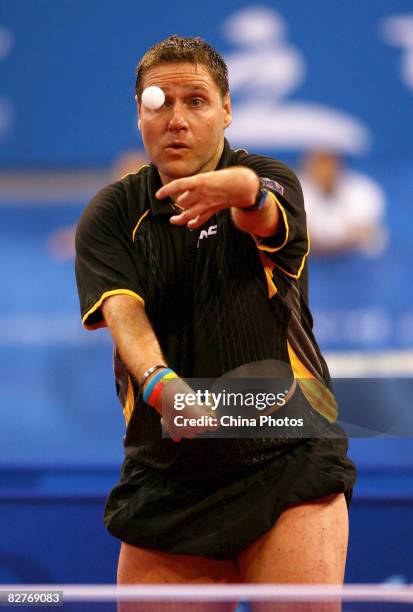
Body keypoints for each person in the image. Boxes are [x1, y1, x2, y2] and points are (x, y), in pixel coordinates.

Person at [75, 36, 355, 610]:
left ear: (227, 109)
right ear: (138, 114)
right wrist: (161, 385)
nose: (176, 119)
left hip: (286, 460)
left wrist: (245, 191)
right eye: (158, 103)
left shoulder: (268, 176)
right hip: (167, 473)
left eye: (196, 101)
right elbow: (123, 309)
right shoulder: (112, 214)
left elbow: (267, 213)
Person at [299, 151, 387, 257]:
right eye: (318, 162)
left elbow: (367, 232)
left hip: (353, 261)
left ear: (339, 163)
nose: (324, 169)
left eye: (328, 161)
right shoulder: (293, 191)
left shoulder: (363, 190)